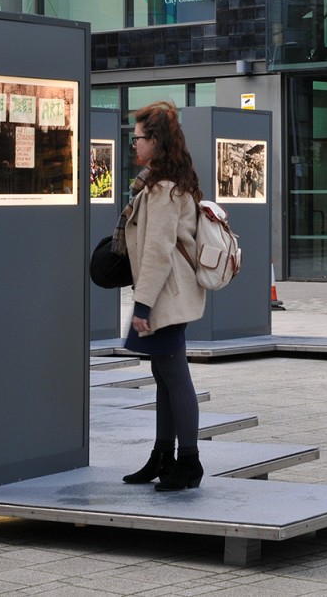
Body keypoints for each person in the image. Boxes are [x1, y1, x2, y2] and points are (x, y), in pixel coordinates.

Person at [119, 102, 208, 491]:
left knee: (174, 375)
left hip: (164, 296)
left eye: (137, 138)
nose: (133, 145)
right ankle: (163, 455)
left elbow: (157, 250)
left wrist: (142, 304)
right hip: (167, 293)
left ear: (155, 141)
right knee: (163, 375)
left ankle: (189, 462)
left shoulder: (165, 189)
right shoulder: (164, 182)